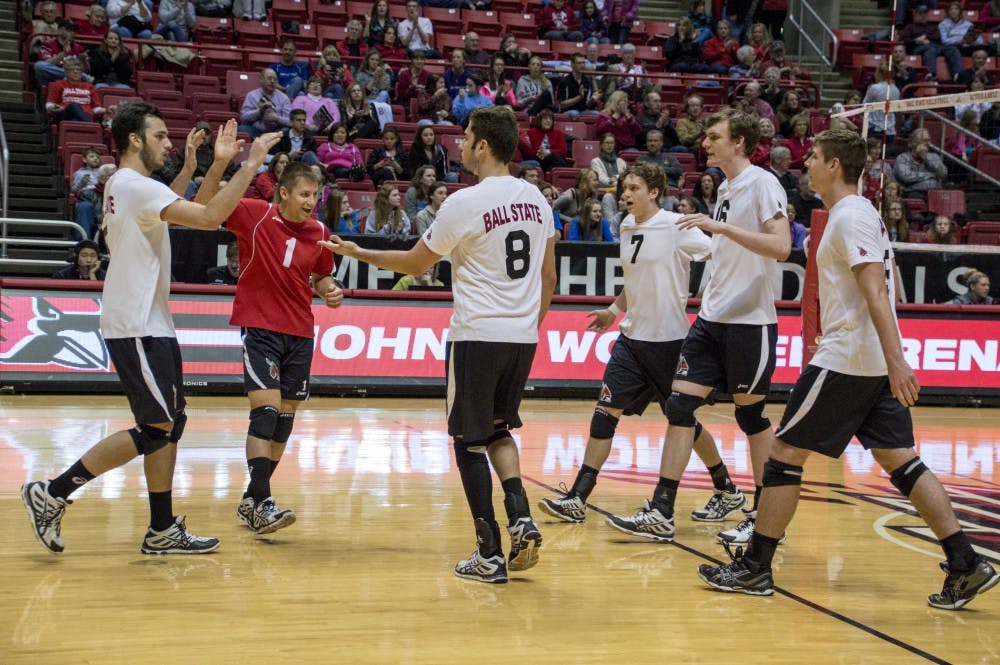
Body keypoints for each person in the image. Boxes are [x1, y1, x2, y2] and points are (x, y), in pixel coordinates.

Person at [697, 128, 999, 609]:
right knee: (901, 460)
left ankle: (755, 567)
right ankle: (966, 562)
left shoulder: (851, 216)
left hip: (849, 360)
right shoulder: (859, 215)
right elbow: (887, 281)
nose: (806, 164)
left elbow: (878, 292)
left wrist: (897, 360)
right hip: (866, 359)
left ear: (834, 164)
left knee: (781, 457)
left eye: (813, 157)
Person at [21, 108, 278, 556]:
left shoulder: (128, 187)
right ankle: (53, 492)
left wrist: (207, 166)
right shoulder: (134, 185)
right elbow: (209, 217)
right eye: (160, 135)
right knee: (157, 426)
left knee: (170, 423)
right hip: (137, 322)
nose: (168, 143)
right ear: (135, 140)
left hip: (148, 321)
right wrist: (249, 165)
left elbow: (171, 213)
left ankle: (161, 528)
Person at [319, 106, 557, 584]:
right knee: (498, 429)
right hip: (522, 335)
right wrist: (528, 325)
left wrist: (358, 251)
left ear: (484, 146)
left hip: (477, 335)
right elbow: (549, 276)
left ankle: (488, 551)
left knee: (467, 441)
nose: (461, 146)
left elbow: (413, 263)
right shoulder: (538, 200)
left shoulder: (465, 203)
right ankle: (522, 517)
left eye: (467, 137)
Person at [605, 109, 791, 548]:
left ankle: (763, 517)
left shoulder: (762, 183)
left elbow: (782, 247)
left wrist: (719, 226)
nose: (704, 143)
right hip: (712, 318)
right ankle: (661, 511)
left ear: (740, 142)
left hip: (749, 320)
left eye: (714, 136)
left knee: (750, 414)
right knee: (679, 407)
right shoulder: (726, 186)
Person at [541, 161, 747, 526]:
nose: (626, 194)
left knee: (684, 421)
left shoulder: (676, 225)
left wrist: (717, 299)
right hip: (632, 339)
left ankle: (726, 489)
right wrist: (613, 310)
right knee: (605, 414)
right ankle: (577, 497)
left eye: (634, 188)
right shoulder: (626, 224)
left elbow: (723, 253)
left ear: (654, 191)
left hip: (670, 343)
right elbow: (634, 280)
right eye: (624, 188)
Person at [196, 157, 343, 533]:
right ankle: (262, 501)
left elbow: (321, 274)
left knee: (284, 419)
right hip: (260, 327)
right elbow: (205, 205)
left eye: (316, 195)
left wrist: (329, 291)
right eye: (305, 194)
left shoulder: (320, 230)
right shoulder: (255, 214)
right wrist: (219, 164)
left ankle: (252, 498)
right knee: (265, 411)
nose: (312, 201)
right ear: (284, 192)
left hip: (301, 332)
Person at [45, 58, 102, 125]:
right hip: (64, 117)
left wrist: (106, 110)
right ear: (66, 72)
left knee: (77, 111)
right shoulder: (58, 84)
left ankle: (87, 125)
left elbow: (96, 108)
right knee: (73, 105)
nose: (76, 72)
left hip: (85, 116)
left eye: (78, 69)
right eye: (72, 69)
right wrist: (56, 108)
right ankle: (90, 126)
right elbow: (49, 104)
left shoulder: (89, 87)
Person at [239, 69, 292, 138]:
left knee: (287, 130)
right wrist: (259, 112)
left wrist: (277, 118)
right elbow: (243, 118)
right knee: (242, 128)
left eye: (275, 79)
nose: (272, 81)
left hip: (276, 132)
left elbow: (290, 121)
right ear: (261, 79)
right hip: (256, 131)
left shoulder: (284, 98)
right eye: (269, 78)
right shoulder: (252, 95)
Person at [894, 129, 946, 198]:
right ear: (914, 142)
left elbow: (943, 173)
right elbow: (906, 176)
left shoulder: (934, 156)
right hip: (912, 193)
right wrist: (930, 175)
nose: (928, 143)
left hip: (935, 193)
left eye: (929, 140)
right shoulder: (903, 158)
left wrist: (926, 158)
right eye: (925, 141)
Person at [525, 108, 569, 173]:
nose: (548, 121)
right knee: (557, 158)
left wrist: (548, 152)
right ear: (540, 120)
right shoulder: (531, 132)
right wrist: (538, 153)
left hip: (555, 160)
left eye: (550, 119)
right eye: (545, 118)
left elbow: (563, 150)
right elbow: (528, 151)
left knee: (555, 157)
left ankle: (551, 175)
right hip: (539, 159)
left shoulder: (559, 133)